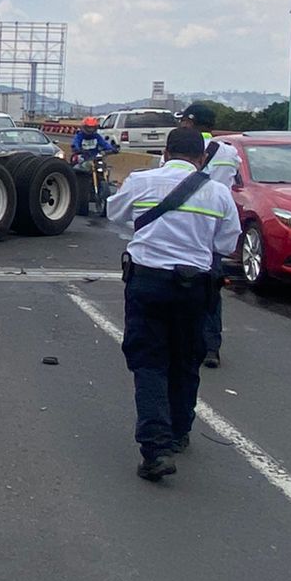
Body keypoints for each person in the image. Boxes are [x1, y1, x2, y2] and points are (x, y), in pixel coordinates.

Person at [106, 126, 240, 482]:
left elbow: (114, 214)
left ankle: (155, 449)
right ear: (201, 159)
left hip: (147, 281)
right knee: (185, 358)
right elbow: (226, 245)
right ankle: (180, 432)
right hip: (194, 287)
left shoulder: (141, 181)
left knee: (149, 362)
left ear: (165, 153)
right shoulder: (218, 194)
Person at [175, 103, 242, 369]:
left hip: (185, 227)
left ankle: (181, 342)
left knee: (176, 286)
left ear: (190, 122)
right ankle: (211, 348)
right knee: (211, 292)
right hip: (213, 227)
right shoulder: (230, 152)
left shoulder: (182, 148)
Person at [71, 116, 118, 211]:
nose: (90, 129)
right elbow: (75, 144)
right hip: (83, 159)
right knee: (78, 170)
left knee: (104, 168)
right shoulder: (79, 136)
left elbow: (105, 144)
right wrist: (78, 149)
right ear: (84, 127)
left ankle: (102, 187)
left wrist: (113, 149)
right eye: (88, 127)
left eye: (92, 127)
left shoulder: (97, 137)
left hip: (95, 159)